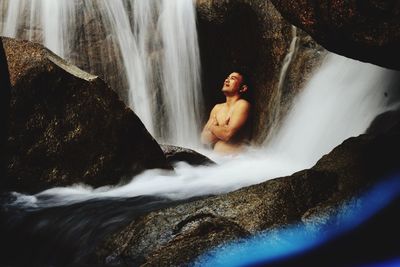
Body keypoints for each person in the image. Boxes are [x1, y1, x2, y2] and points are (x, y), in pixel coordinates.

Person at [201, 71, 251, 154]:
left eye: (232, 78)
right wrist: (222, 129)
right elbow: (203, 138)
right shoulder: (217, 108)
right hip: (218, 161)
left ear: (243, 88)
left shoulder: (242, 105)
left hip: (237, 161)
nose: (227, 80)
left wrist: (212, 127)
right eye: (227, 78)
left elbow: (227, 134)